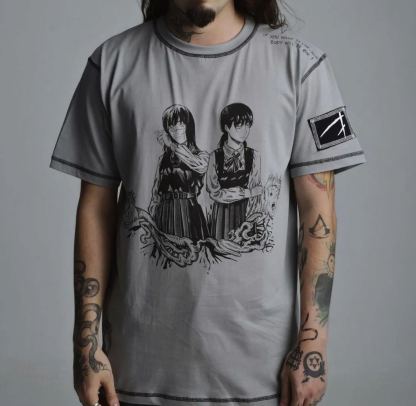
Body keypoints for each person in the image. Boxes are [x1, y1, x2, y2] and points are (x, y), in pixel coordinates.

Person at [49, 1, 367, 406]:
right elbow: (96, 209)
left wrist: (313, 346)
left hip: (263, 378)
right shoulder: (112, 63)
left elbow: (317, 215)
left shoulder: (301, 65)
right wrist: (86, 347)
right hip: (134, 375)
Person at [148, 104, 210, 242]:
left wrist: (173, 146)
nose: (177, 128)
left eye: (181, 124)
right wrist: (152, 213)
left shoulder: (201, 155)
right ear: (167, 130)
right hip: (164, 211)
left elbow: (199, 166)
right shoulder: (163, 158)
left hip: (189, 210)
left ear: (188, 126)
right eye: (172, 125)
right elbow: (156, 190)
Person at [206, 102, 263, 240]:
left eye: (247, 125)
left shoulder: (254, 156)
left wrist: (249, 194)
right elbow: (214, 192)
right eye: (239, 126)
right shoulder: (215, 156)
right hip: (222, 214)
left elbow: (257, 189)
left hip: (246, 211)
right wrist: (245, 193)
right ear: (226, 127)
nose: (245, 130)